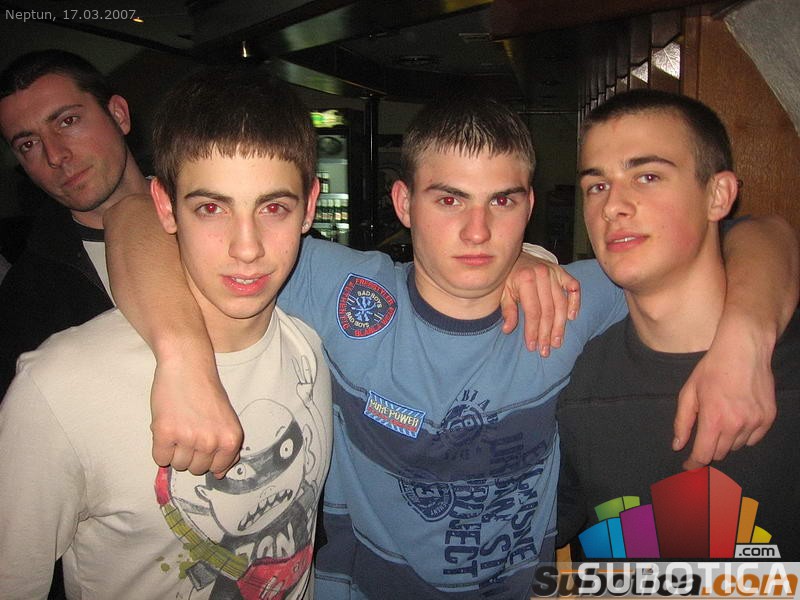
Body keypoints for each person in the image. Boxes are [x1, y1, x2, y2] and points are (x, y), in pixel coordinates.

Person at [106, 89, 796, 597]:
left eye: (501, 201)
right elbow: (137, 214)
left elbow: (754, 233)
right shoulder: (345, 293)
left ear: (529, 207)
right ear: (404, 204)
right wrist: (183, 357)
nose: (476, 232)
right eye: (448, 199)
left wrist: (745, 336)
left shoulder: (571, 302)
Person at [0, 67, 333, 599]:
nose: (246, 248)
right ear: (165, 207)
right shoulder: (56, 388)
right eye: (210, 208)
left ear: (310, 207)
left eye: (273, 207)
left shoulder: (309, 351)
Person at [557, 89, 800, 559]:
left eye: (647, 176)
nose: (612, 206)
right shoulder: (570, 380)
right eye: (597, 186)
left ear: (718, 195)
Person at [0, 50, 149, 396]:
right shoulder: (24, 304)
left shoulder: (216, 211)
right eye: (28, 144)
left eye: (67, 121)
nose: (55, 155)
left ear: (118, 115)